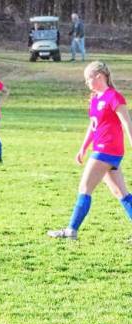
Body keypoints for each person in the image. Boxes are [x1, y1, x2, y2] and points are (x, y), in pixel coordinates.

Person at [48, 61, 132, 241]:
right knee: (121, 193)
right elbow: (93, 126)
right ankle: (71, 230)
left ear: (99, 76)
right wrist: (83, 147)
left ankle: (71, 230)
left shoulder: (114, 97)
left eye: (88, 78)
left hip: (107, 149)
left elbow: (126, 122)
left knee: (84, 188)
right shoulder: (95, 99)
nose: (87, 83)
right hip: (102, 149)